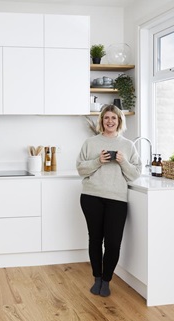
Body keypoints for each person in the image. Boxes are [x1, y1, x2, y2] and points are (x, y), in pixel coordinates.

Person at [76, 105, 142, 297]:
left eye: (114, 118)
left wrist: (123, 161)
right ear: (102, 121)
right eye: (106, 118)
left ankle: (107, 280)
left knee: (113, 243)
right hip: (91, 197)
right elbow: (80, 169)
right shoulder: (90, 143)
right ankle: (97, 278)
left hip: (116, 199)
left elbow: (135, 174)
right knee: (95, 239)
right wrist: (99, 161)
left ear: (119, 121)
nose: (110, 121)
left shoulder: (128, 146)